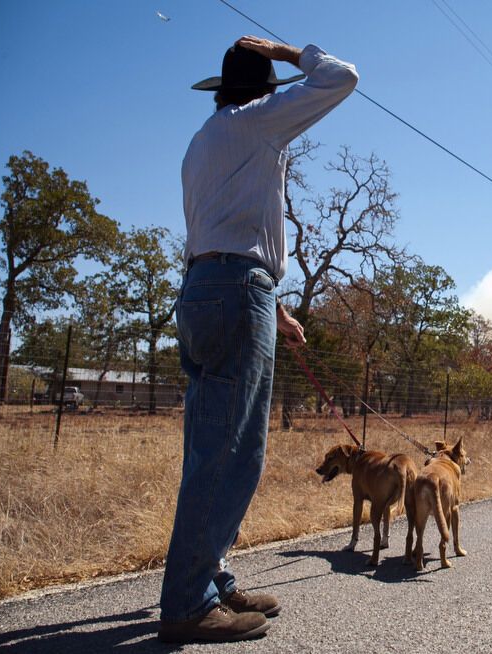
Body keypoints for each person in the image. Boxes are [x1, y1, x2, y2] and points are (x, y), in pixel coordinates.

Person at [158, 35, 358, 644]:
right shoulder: (256, 123)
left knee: (215, 449)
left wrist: (269, 304)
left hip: (205, 291)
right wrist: (286, 50)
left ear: (221, 90)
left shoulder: (203, 141)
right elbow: (342, 76)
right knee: (231, 455)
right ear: (262, 91)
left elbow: (225, 230)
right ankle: (189, 602)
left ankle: (212, 579)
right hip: (234, 292)